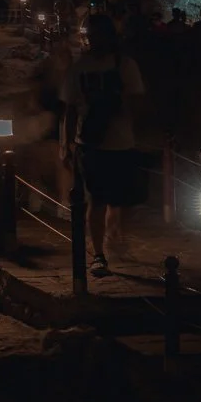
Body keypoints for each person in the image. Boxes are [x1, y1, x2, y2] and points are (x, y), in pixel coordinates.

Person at [60, 14, 146, 277]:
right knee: (96, 200)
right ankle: (99, 254)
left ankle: (113, 236)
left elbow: (137, 103)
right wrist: (66, 145)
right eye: (91, 36)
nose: (94, 41)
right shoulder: (79, 68)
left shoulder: (125, 65)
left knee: (120, 200)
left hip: (121, 142)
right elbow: (70, 109)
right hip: (91, 143)